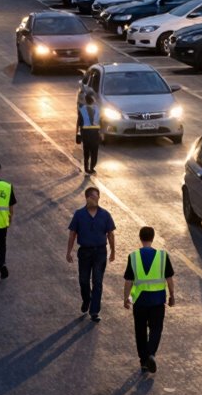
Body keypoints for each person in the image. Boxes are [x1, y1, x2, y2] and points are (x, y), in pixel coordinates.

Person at [123, 226, 175, 374]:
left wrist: (126, 298)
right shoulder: (162, 256)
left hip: (139, 301)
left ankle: (143, 361)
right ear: (153, 238)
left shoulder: (133, 256)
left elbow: (129, 281)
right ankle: (151, 353)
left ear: (140, 238)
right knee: (156, 329)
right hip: (158, 301)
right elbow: (169, 279)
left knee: (140, 330)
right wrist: (172, 295)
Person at [66, 187, 115, 323]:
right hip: (85, 252)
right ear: (87, 198)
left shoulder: (105, 215)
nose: (95, 198)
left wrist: (113, 251)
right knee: (83, 280)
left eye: (97, 196)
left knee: (98, 282)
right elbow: (72, 234)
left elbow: (110, 234)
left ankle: (94, 311)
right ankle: (87, 300)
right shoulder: (79, 214)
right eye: (93, 196)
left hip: (100, 252)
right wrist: (69, 251)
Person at [76, 94, 101, 175]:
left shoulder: (82, 110)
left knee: (86, 152)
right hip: (95, 134)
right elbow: (101, 122)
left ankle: (86, 169)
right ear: (93, 101)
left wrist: (77, 134)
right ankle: (92, 168)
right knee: (94, 152)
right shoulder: (97, 110)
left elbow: (78, 123)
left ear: (86, 101)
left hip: (85, 134)